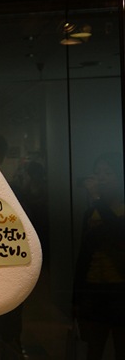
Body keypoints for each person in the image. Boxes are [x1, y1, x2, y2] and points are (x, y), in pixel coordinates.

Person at [73, 152, 125, 360]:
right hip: (94, 290)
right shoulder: (91, 212)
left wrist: (96, 199)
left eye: (108, 173)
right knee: (93, 349)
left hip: (121, 290)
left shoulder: (116, 208)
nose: (101, 178)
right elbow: (84, 256)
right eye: (97, 173)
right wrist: (76, 298)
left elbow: (118, 233)